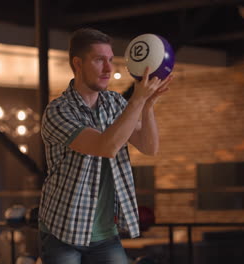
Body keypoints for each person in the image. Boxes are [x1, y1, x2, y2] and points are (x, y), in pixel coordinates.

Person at [38, 28, 172, 264]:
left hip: (105, 233)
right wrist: (137, 100)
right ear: (77, 63)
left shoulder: (115, 102)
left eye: (110, 60)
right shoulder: (58, 111)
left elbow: (149, 146)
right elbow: (105, 146)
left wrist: (148, 106)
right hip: (63, 232)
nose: (109, 69)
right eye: (100, 60)